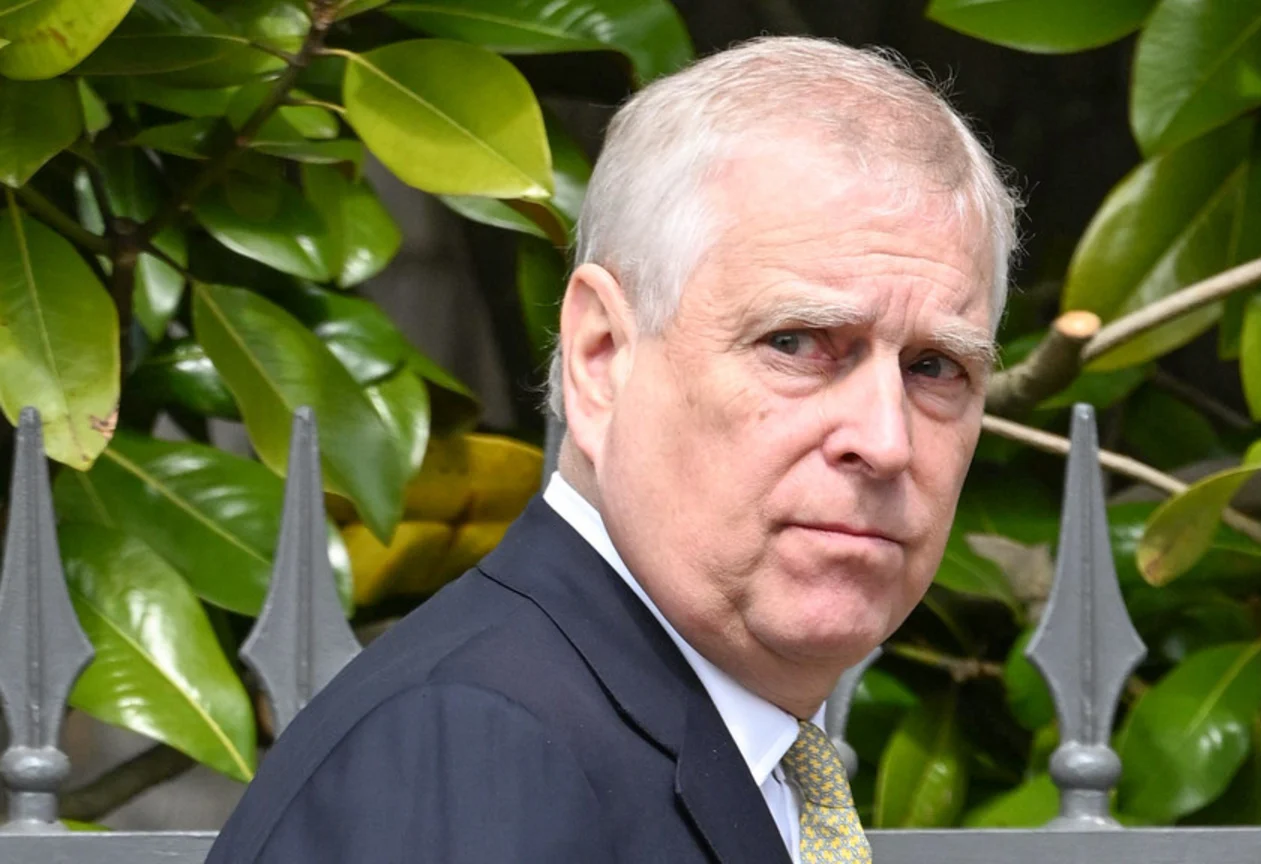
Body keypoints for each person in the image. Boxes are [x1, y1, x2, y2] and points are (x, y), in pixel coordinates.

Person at [204, 34, 1018, 864]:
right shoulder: (477, 748)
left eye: (934, 366)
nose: (884, 441)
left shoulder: (699, 741)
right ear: (601, 357)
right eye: (799, 343)